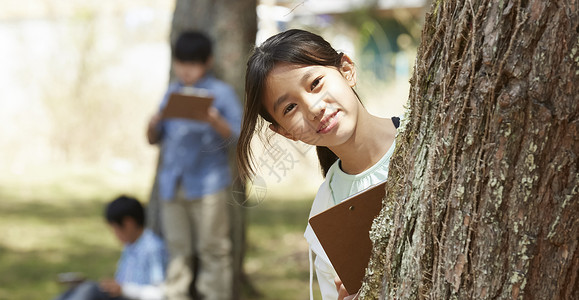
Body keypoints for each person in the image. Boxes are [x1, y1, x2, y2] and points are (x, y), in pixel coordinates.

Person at [237, 29, 401, 300]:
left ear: (346, 70)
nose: (313, 108)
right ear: (285, 132)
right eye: (290, 108)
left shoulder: (427, 141)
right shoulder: (327, 213)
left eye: (315, 84)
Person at [147, 31, 242, 300]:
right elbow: (154, 139)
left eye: (193, 63)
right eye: (181, 63)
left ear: (207, 62)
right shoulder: (172, 92)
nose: (186, 70)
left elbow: (237, 135)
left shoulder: (221, 93)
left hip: (209, 183)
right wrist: (152, 123)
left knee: (213, 250)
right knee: (177, 250)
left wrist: (214, 119)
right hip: (172, 184)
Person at [54, 195, 168, 300]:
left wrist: (124, 289)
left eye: (115, 228)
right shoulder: (131, 246)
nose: (114, 234)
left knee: (90, 289)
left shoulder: (153, 248)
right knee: (74, 290)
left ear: (129, 223)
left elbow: (160, 293)